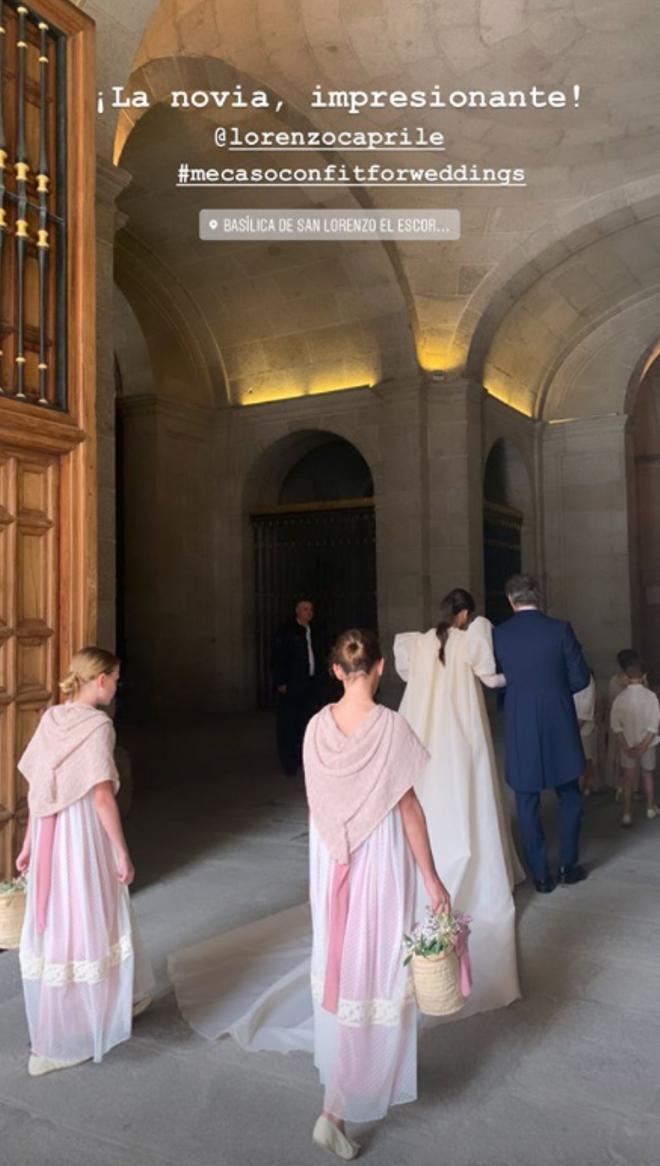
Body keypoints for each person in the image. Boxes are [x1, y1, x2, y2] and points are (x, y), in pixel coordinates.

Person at [305, 629, 450, 1159]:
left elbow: (317, 798)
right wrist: (432, 879)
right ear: (382, 667)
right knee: (376, 968)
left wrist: (336, 846)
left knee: (344, 964)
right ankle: (338, 1104)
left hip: (331, 859)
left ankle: (343, 1087)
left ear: (337, 672)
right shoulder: (390, 727)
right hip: (376, 857)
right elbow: (408, 808)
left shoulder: (317, 726)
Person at [15, 647, 154, 1076]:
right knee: (89, 914)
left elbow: (39, 789)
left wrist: (29, 842)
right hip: (81, 836)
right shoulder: (97, 726)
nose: (116, 685)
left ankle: (104, 1002)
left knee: (61, 917)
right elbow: (100, 794)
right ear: (99, 680)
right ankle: (71, 1028)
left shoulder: (52, 719)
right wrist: (121, 850)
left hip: (50, 832)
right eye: (114, 678)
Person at [393, 588, 523, 1020]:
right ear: (466, 613)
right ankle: (472, 866)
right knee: (466, 794)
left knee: (427, 796)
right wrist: (521, 674)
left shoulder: (419, 640)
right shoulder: (472, 637)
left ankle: (426, 865)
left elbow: (412, 678)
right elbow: (491, 679)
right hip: (461, 734)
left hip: (426, 733)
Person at [493, 574, 590, 893]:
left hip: (522, 721)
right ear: (539, 596)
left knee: (526, 799)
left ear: (511, 600)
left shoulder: (501, 634)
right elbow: (580, 679)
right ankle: (567, 865)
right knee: (570, 795)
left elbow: (501, 679)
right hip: (559, 719)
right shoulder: (560, 629)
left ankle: (541, 876)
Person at [272, 598, 320, 777]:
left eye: (311, 609)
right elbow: (278, 658)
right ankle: (289, 762)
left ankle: (302, 758)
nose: (309, 612)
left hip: (308, 683)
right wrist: (281, 681)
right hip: (292, 684)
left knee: (305, 723)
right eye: (305, 609)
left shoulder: (312, 631)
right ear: (297, 611)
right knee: (288, 724)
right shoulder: (286, 632)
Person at [610, 658, 660, 827]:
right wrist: (644, 745)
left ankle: (626, 813)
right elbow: (654, 725)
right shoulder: (651, 697)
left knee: (628, 780)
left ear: (626, 676)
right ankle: (650, 808)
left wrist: (626, 747)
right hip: (648, 744)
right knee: (648, 775)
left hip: (628, 745)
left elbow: (616, 726)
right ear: (644, 676)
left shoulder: (620, 698)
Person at [605, 649, 642, 800]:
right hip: (633, 724)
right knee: (632, 757)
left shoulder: (614, 680)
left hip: (617, 723)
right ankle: (631, 788)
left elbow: (610, 701)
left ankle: (619, 786)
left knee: (618, 756)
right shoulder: (637, 681)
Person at [574, 671, 599, 795]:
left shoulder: (587, 679)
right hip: (573, 727)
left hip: (584, 728)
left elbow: (586, 709)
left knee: (585, 760)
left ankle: (582, 787)